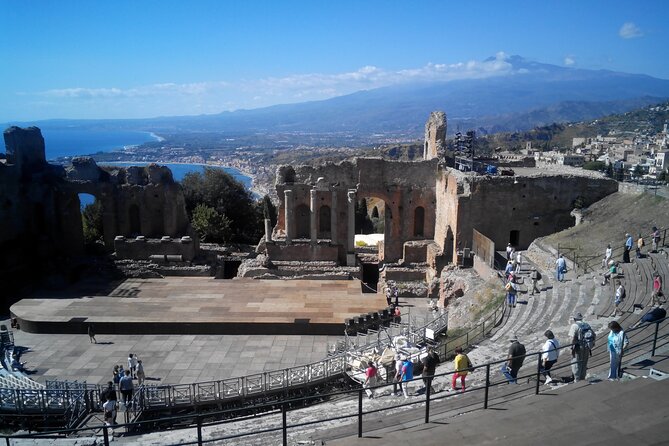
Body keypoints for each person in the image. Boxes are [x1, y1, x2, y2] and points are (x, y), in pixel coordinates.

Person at [569, 312, 595, 382]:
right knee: (584, 362)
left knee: (576, 363)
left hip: (578, 347)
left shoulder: (574, 326)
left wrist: (572, 348)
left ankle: (577, 380)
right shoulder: (586, 324)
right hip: (587, 346)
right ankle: (582, 378)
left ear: (574, 319)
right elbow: (594, 335)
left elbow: (572, 338)